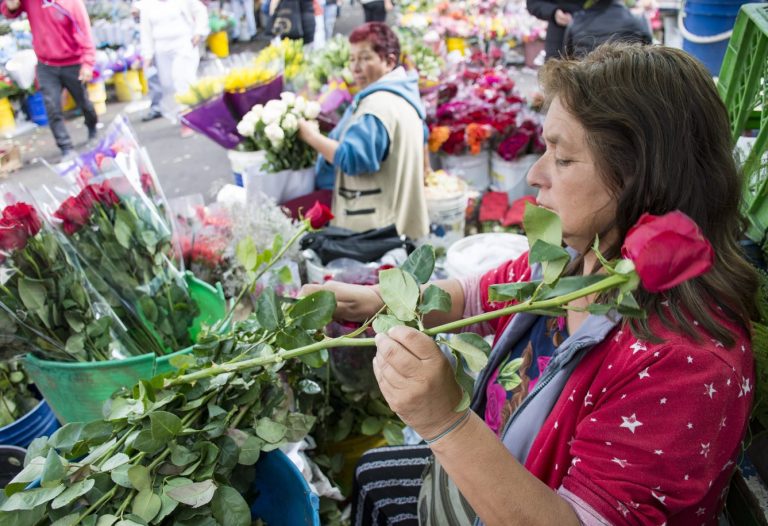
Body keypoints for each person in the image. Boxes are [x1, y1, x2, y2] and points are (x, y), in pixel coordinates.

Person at [302, 43, 759, 525]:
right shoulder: (577, 257)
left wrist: (445, 422)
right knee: (372, 474)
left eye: (562, 159)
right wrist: (375, 302)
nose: (534, 176)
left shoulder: (687, 364)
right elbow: (484, 295)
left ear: (642, 178)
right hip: (494, 471)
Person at [298, 22, 429, 240]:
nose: (355, 68)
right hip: (402, 221)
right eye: (352, 59)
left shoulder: (376, 109)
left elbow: (351, 159)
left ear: (389, 61)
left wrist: (311, 136)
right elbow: (424, 134)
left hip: (374, 230)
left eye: (365, 58)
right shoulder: (406, 94)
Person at [0, 0, 98, 161]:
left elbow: (84, 32)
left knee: (84, 102)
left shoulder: (71, 3)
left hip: (72, 62)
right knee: (52, 107)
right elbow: (10, 11)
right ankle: (66, 147)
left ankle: (92, 128)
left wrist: (87, 63)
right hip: (46, 64)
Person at [138, 0, 208, 137]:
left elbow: (200, 11)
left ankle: (188, 121)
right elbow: (145, 31)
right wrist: (147, 55)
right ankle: (192, 112)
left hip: (183, 45)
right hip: (161, 49)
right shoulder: (146, 4)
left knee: (182, 81)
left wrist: (198, 32)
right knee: (168, 85)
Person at [564, 0, 652, 57]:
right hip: (627, 83)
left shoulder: (576, 22)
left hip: (585, 83)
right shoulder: (638, 20)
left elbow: (567, 58)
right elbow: (651, 58)